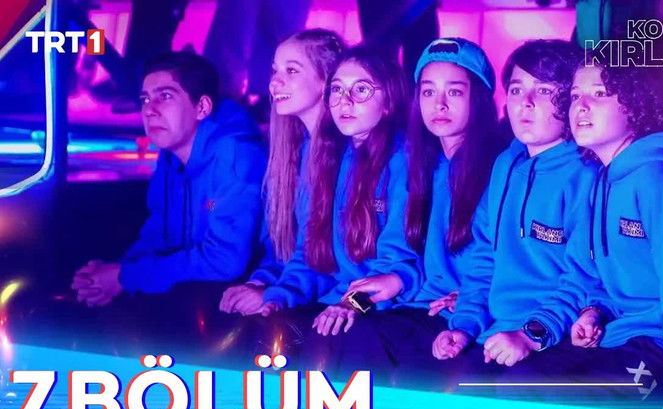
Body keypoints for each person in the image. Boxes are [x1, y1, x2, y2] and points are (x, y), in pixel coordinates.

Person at [510, 60, 663, 402]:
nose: (581, 106)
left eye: (599, 94)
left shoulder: (659, 180)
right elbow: (599, 276)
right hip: (617, 337)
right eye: (575, 96)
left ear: (636, 104)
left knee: (546, 397)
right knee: (512, 384)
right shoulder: (601, 180)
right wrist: (594, 312)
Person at [302, 38, 503, 385]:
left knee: (365, 348)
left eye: (454, 92)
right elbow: (402, 268)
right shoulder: (423, 165)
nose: (439, 104)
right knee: (340, 338)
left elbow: (501, 266)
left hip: (467, 315)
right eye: (428, 92)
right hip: (423, 306)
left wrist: (467, 305)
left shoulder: (498, 168)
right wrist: (355, 303)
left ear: (480, 98)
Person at [431, 40, 600, 371]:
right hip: (496, 332)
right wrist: (463, 327)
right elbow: (485, 259)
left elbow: (585, 279)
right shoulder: (506, 164)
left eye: (544, 90)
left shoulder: (586, 175)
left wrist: (531, 334)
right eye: (516, 89)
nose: (526, 102)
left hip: (555, 336)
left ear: (570, 99)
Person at [249, 47, 420, 361]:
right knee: (266, 332)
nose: (345, 101)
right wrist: (281, 295)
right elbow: (314, 254)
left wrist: (350, 304)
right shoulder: (334, 155)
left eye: (361, 90)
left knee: (330, 345)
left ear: (389, 102)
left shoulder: (404, 161)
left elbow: (398, 270)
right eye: (337, 90)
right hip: (337, 297)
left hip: (383, 305)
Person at [72, 52, 267, 305]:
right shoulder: (170, 156)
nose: (149, 110)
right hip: (201, 297)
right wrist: (111, 275)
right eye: (145, 99)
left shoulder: (237, 158)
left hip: (256, 301)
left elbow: (225, 260)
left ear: (202, 107)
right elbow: (158, 235)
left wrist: (125, 277)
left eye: (165, 96)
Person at [218, 29, 346, 318]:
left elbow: (334, 260)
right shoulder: (294, 150)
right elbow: (283, 246)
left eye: (292, 70)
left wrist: (278, 294)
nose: (275, 82)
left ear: (326, 80)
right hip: (300, 289)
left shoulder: (345, 155)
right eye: (275, 70)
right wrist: (259, 281)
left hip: (337, 300)